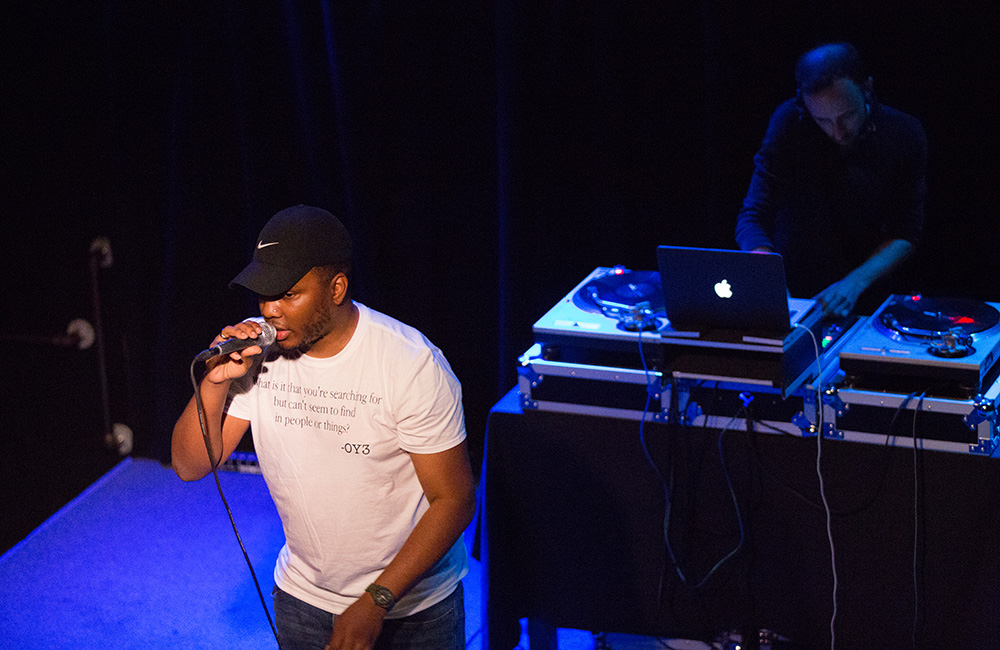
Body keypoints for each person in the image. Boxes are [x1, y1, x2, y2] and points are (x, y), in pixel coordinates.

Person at [171, 205, 476, 650]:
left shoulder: (409, 363)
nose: (270, 310)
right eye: (264, 295)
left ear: (336, 288)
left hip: (412, 606)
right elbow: (190, 466)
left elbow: (455, 500)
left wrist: (376, 600)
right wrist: (215, 384)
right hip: (303, 598)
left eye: (288, 295)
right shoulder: (257, 352)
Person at [735, 42, 927, 317]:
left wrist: (853, 283)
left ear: (867, 88)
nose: (837, 132)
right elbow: (752, 216)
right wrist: (768, 276)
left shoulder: (903, 132)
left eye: (847, 115)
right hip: (794, 295)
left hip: (867, 297)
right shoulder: (789, 122)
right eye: (822, 120)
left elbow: (906, 233)